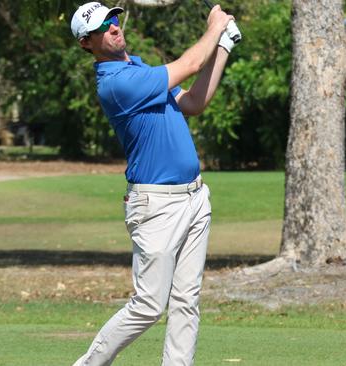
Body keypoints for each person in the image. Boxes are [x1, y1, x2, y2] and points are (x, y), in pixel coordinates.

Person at [69, 2, 239, 365]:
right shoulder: (117, 84)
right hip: (156, 206)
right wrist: (214, 25)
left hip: (195, 197)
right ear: (87, 43)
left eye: (114, 19)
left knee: (186, 301)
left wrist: (223, 45)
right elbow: (192, 64)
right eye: (103, 27)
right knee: (148, 305)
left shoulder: (139, 66)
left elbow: (193, 102)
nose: (114, 28)